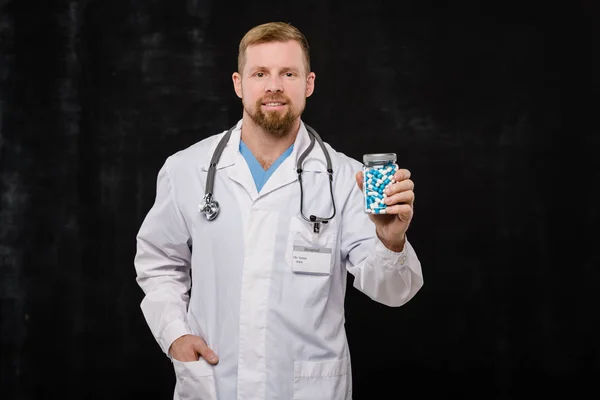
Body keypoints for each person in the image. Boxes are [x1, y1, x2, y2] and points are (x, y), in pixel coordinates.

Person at [134, 21, 423, 400]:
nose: (274, 86)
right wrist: (175, 335)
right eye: (260, 74)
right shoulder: (187, 169)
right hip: (215, 384)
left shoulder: (347, 179)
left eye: (288, 73)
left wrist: (391, 240)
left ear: (309, 84)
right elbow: (158, 264)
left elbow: (394, 293)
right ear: (239, 84)